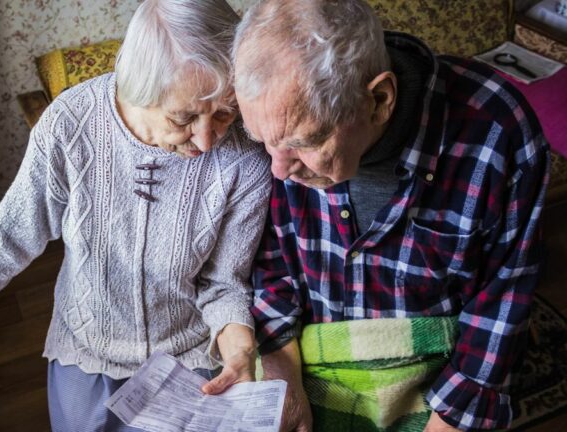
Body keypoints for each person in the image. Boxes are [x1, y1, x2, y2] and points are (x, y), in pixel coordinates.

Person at [0, 0, 271, 430]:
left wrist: (240, 353)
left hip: (187, 354)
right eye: (183, 117)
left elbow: (222, 282)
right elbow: (9, 237)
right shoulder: (71, 125)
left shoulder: (245, 158)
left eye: (225, 112)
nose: (208, 139)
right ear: (140, 87)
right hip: (87, 348)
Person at [233, 0, 550, 431]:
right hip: (311, 367)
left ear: (379, 100)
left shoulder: (498, 132)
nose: (278, 169)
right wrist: (283, 381)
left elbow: (503, 303)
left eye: (304, 142)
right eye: (264, 141)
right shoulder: (279, 123)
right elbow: (271, 264)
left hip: (435, 382)